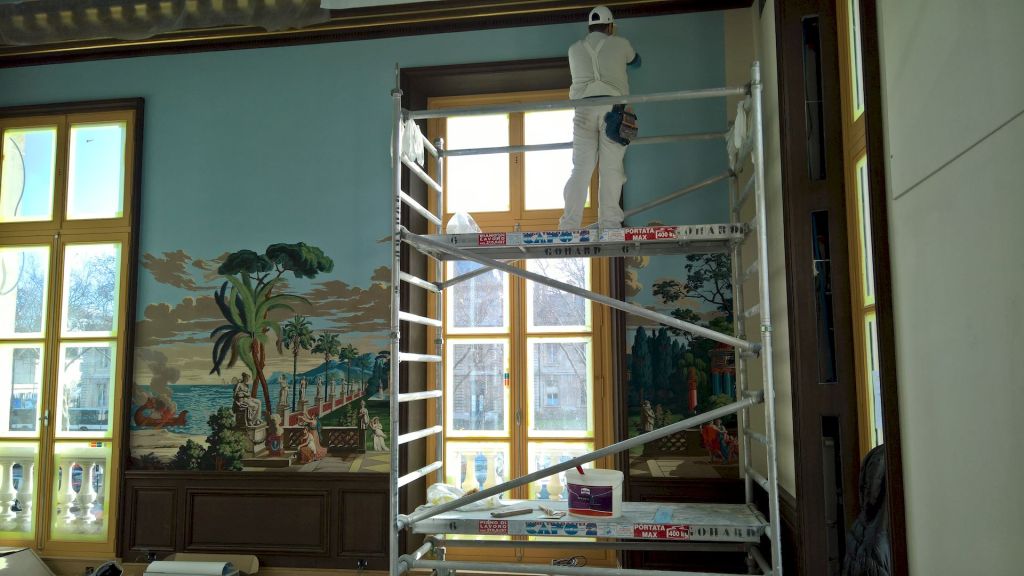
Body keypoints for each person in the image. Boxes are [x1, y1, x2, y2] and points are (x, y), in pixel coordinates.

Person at [560, 5, 641, 231]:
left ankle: (569, 224)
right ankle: (610, 223)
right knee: (611, 168)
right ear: (610, 26)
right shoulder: (621, 43)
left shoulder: (574, 49)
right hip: (613, 109)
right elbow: (636, 62)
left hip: (583, 110)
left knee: (581, 168)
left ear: (589, 27)